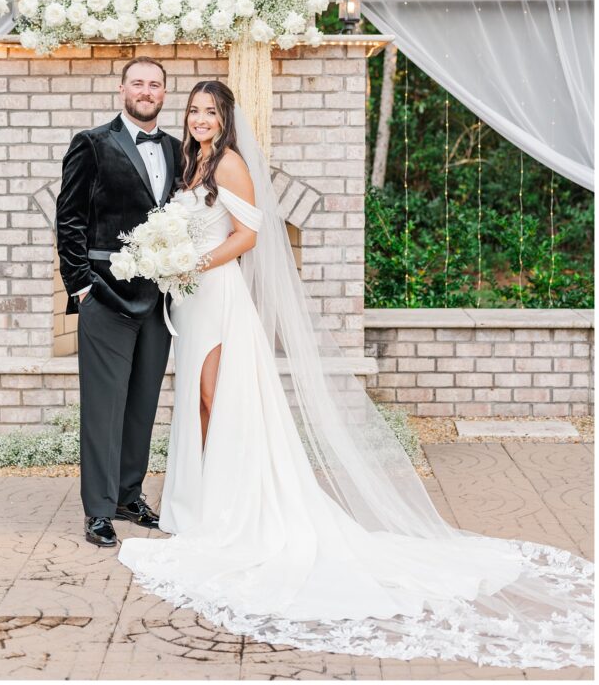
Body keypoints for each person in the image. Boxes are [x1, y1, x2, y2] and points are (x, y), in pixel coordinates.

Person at [118, 80, 592, 668]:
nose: (198, 120)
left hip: (216, 292)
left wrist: (193, 260)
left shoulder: (232, 164)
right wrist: (171, 260)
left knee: (215, 397)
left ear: (225, 119)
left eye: (209, 112)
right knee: (194, 399)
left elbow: (251, 234)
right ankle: (194, 503)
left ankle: (225, 506)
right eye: (193, 111)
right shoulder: (192, 163)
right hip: (190, 294)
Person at [56, 57, 181, 548]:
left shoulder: (176, 149)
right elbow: (69, 220)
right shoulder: (91, 144)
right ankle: (100, 510)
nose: (146, 91)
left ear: (163, 94)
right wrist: (82, 285)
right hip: (106, 295)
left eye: (155, 85)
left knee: (143, 403)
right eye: (138, 83)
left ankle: (131, 495)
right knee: (104, 407)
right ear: (121, 88)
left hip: (158, 298)